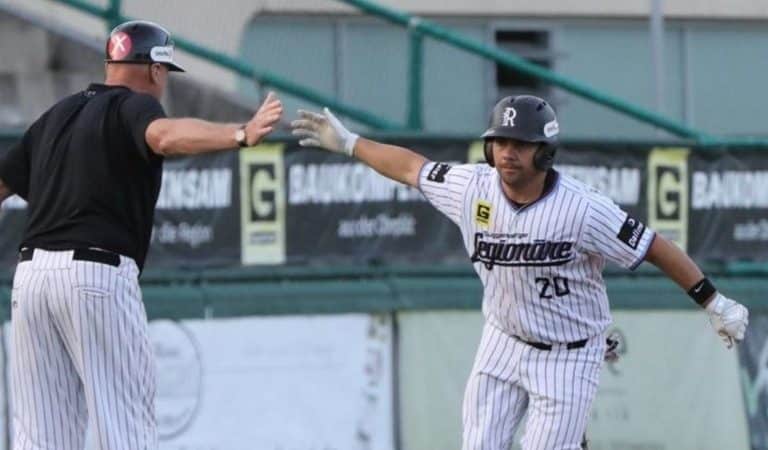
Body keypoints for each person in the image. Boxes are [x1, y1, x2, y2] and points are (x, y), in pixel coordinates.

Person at [290, 96, 748, 450]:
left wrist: (714, 301)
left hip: (567, 354)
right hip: (502, 341)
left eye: (521, 144)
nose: (508, 152)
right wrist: (350, 143)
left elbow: (652, 246)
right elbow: (412, 167)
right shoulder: (472, 187)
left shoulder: (582, 209)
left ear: (544, 152)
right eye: (501, 142)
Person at [0, 20, 282, 450]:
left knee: (41, 438)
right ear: (154, 70)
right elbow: (165, 137)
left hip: (31, 279)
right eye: (166, 72)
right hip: (94, 277)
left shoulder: (56, 115)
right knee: (125, 430)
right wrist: (240, 133)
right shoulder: (135, 107)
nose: (164, 82)